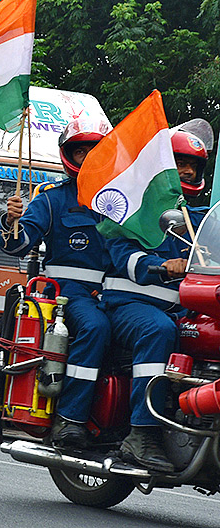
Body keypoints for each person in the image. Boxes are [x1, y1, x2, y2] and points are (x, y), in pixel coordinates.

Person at [0, 117, 113, 449]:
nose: (89, 159)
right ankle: (70, 419)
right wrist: (12, 221)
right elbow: (18, 245)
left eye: (96, 152)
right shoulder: (52, 199)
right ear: (69, 156)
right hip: (69, 293)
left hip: (116, 292)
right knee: (95, 327)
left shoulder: (125, 200)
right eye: (82, 152)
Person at [99, 129, 208, 472]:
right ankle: (141, 432)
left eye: (192, 165)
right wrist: (160, 266)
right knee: (158, 332)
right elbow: (123, 257)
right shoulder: (134, 208)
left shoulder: (203, 217)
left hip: (181, 309)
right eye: (179, 163)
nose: (187, 171)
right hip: (130, 307)